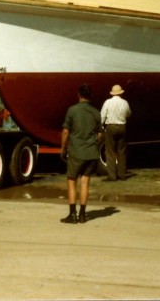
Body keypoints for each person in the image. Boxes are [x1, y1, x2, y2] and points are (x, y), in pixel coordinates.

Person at [60, 83, 102, 224]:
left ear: (78, 95)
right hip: (91, 153)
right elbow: (100, 134)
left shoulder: (72, 110)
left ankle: (72, 215)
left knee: (72, 181)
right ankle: (83, 215)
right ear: (91, 96)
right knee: (85, 182)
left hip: (77, 152)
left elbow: (66, 131)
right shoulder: (96, 113)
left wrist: (63, 148)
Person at [100, 84, 131, 181]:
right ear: (121, 93)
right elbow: (129, 113)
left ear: (112, 93)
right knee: (121, 151)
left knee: (110, 152)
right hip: (122, 126)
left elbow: (102, 115)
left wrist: (101, 126)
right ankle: (122, 175)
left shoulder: (108, 102)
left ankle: (112, 176)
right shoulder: (125, 102)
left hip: (111, 126)